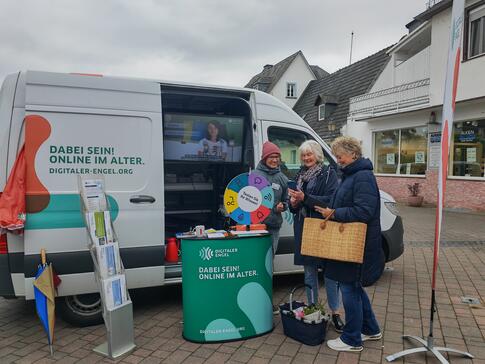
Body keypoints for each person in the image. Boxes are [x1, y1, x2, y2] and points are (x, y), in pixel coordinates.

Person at [315, 136, 383, 352]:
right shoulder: (350, 175)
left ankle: (352, 339)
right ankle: (371, 329)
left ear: (353, 154)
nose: (338, 160)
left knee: (349, 289)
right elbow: (340, 202)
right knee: (354, 287)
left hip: (356, 244)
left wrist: (334, 214)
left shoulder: (362, 177)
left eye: (340, 155)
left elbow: (364, 211)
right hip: (351, 244)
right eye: (336, 156)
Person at [287, 140, 344, 332]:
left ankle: (335, 313)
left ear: (317, 155)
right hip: (303, 228)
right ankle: (312, 308)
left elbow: (331, 201)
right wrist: (293, 204)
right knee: (309, 272)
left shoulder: (328, 174)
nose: (306, 158)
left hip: (322, 228)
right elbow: (294, 206)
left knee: (330, 274)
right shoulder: (300, 175)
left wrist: (305, 199)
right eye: (303, 155)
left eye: (309, 154)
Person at [255, 141, 288, 315]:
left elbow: (287, 200)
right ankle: (256, 300)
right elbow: (248, 201)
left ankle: (267, 301)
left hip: (273, 227)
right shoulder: (255, 175)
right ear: (265, 158)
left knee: (268, 263)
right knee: (256, 262)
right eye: (271, 157)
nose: (274, 160)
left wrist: (283, 206)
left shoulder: (282, 178)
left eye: (277, 157)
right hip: (256, 227)